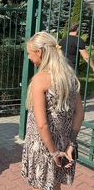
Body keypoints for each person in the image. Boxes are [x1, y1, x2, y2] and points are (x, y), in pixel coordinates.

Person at [21, 31, 84, 190]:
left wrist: (53, 152)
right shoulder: (69, 76)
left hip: (43, 145)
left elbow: (41, 124)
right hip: (63, 142)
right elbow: (80, 114)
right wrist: (71, 142)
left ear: (39, 52)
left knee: (39, 184)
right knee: (55, 184)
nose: (29, 57)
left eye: (29, 53)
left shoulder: (40, 78)